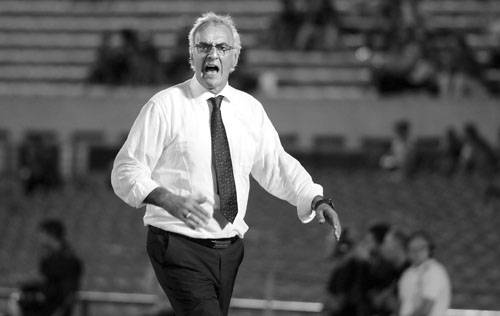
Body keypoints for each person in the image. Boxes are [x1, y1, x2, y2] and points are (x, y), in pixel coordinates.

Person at [111, 12, 341, 316]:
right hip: (177, 242)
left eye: (222, 47)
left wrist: (313, 197)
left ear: (235, 58)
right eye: (203, 46)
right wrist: (167, 198)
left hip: (230, 247)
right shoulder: (164, 106)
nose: (212, 54)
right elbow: (125, 170)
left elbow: (276, 164)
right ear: (191, 55)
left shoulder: (250, 109)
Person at [8, 219, 83, 316]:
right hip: (44, 306)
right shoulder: (48, 258)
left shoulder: (69, 260)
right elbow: (48, 283)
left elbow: (69, 293)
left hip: (55, 310)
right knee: (14, 301)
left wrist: (59, 312)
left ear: (50, 235)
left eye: (42, 234)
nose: (39, 238)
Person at [398, 231, 451, 316]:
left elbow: (425, 309)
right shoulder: (407, 274)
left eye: (421, 248)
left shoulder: (434, 271)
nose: (416, 252)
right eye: (412, 249)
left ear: (429, 250)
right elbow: (403, 303)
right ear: (407, 252)